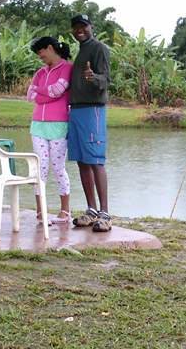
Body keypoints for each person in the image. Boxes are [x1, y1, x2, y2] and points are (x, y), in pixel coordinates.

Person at [67, 14, 112, 232]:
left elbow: (106, 79)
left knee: (95, 160)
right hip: (76, 110)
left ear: (91, 27)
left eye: (83, 26)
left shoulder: (99, 48)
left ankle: (105, 214)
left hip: (92, 110)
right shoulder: (81, 50)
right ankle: (91, 211)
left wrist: (93, 77)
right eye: (76, 27)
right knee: (82, 161)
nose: (80, 30)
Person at [27, 36, 73, 224]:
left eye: (41, 52)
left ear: (50, 48)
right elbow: (30, 95)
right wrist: (48, 93)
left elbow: (58, 90)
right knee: (41, 168)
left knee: (58, 167)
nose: (40, 57)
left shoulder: (67, 68)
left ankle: (65, 211)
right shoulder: (40, 72)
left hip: (59, 125)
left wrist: (41, 91)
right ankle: (41, 212)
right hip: (38, 126)